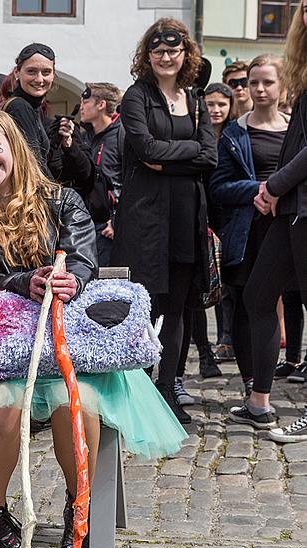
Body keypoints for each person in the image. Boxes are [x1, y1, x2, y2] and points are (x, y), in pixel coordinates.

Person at [0, 109, 187, 548]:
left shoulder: (61, 200)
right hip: (5, 344)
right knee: (4, 405)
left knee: (79, 403)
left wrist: (69, 277)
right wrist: (22, 280)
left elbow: (85, 257)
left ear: (14, 147)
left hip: (67, 342)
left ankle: (80, 510)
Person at [110, 19, 217, 424]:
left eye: (174, 50)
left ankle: (166, 393)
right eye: (158, 51)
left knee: (178, 309)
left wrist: (165, 162)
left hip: (186, 214)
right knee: (143, 306)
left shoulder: (196, 97)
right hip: (146, 216)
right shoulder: (138, 95)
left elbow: (210, 155)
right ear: (148, 55)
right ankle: (135, 393)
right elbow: (143, 146)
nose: (166, 57)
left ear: (186, 54)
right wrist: (185, 157)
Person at [240, 0, 307, 444]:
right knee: (259, 295)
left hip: (300, 205)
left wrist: (274, 186)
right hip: (293, 210)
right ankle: (259, 402)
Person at [210, 55, 289, 409]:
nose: (258, 89)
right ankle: (251, 381)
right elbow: (220, 186)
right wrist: (259, 190)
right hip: (247, 232)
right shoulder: (234, 132)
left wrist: (280, 192)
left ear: (281, 85)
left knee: (284, 304)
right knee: (247, 305)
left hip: (289, 227)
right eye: (252, 82)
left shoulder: (295, 129)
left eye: (267, 82)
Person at [3, 43, 93, 192]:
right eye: (31, 71)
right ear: (17, 73)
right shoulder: (19, 107)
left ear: (53, 75)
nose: (39, 79)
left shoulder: (33, 108)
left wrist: (59, 140)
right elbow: (32, 165)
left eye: (46, 72)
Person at [205, 82, 237, 363]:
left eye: (221, 105)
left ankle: (228, 336)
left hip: (229, 215)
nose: (216, 110)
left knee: (230, 282)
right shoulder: (198, 133)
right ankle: (219, 339)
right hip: (207, 215)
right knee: (214, 281)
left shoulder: (233, 134)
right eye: (210, 104)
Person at [78, 82, 124, 266]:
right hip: (89, 227)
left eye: (86, 101)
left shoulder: (122, 135)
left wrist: (117, 221)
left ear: (101, 104)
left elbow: (130, 182)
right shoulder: (85, 137)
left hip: (112, 228)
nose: (81, 106)